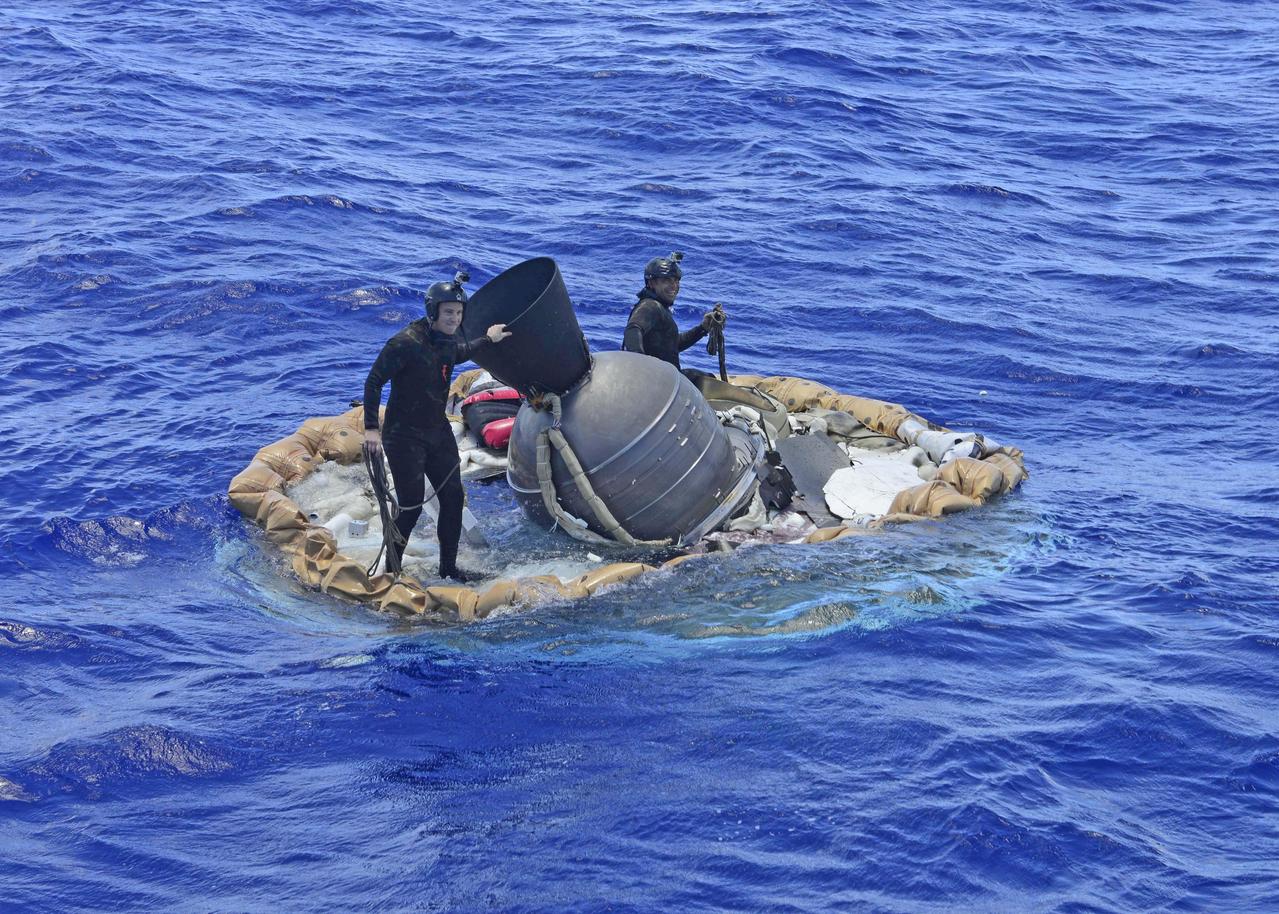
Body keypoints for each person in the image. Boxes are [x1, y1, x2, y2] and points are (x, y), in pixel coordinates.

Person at [362, 273, 512, 582]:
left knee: (454, 498)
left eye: (458, 313)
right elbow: (374, 381)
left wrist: (489, 339)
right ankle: (392, 571)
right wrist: (371, 430)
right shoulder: (405, 343)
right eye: (448, 313)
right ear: (432, 312)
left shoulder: (448, 340)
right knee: (410, 506)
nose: (454, 319)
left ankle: (448, 569)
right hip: (403, 436)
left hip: (437, 430)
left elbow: (459, 353)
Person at [622, 251, 726, 373]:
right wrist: (641, 368)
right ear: (651, 283)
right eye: (667, 280)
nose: (674, 286)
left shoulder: (660, 307)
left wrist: (703, 328)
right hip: (660, 384)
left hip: (668, 380)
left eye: (676, 280)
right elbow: (632, 330)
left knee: (704, 378)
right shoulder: (649, 306)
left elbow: (671, 346)